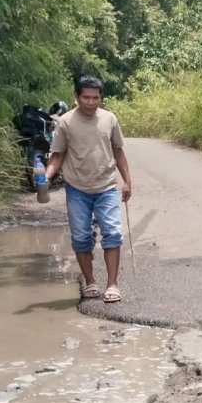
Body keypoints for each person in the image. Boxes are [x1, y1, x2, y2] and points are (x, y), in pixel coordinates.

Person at [46, 75, 131, 303]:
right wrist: (45, 177)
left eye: (96, 97)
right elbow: (58, 155)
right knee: (81, 237)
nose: (92, 102)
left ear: (100, 97)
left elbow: (118, 151)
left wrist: (127, 181)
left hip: (106, 187)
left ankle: (112, 285)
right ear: (77, 97)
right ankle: (90, 282)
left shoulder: (110, 119)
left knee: (112, 233)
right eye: (86, 97)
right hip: (77, 189)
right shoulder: (65, 122)